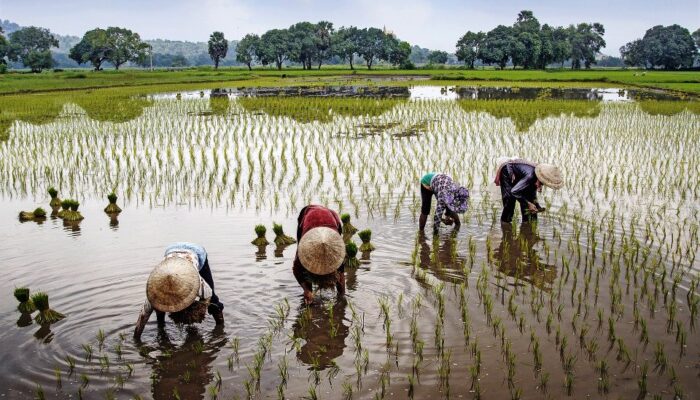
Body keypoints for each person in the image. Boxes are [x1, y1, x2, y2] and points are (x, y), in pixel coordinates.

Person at [134, 242, 224, 339]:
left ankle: (220, 327)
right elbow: (143, 317)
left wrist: (199, 310)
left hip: (196, 252)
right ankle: (161, 328)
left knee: (213, 301)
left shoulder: (198, 284)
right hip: (171, 251)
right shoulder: (153, 294)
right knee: (158, 307)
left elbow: (209, 297)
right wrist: (136, 338)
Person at [293, 205, 346, 305]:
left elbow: (341, 272)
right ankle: (309, 295)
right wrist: (306, 290)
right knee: (304, 267)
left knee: (338, 267)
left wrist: (342, 297)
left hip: (332, 216)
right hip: (307, 215)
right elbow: (296, 270)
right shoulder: (304, 248)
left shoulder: (338, 250)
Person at [494, 159, 563, 223]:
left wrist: (537, 205)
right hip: (508, 170)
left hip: (522, 175)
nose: (541, 185)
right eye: (542, 183)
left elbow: (532, 195)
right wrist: (528, 203)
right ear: (540, 178)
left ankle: (527, 225)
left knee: (529, 203)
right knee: (510, 201)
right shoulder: (530, 176)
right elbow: (514, 191)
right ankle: (505, 224)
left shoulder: (535, 178)